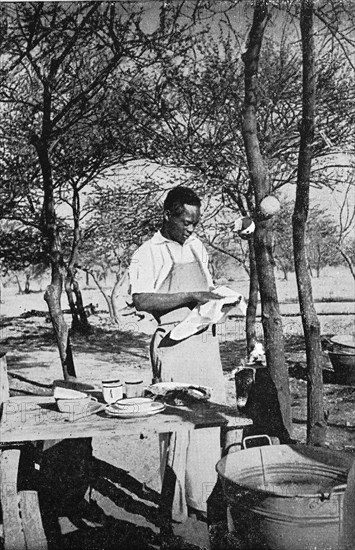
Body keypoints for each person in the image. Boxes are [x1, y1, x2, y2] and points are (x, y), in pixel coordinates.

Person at [129, 186, 226, 522]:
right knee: (176, 425)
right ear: (167, 214)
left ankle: (203, 497)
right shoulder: (148, 252)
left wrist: (217, 299)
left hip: (203, 343)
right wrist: (190, 296)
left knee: (209, 422)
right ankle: (175, 508)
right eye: (185, 221)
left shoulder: (197, 247)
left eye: (195, 223)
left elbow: (205, 292)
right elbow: (141, 300)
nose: (191, 229)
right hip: (172, 344)